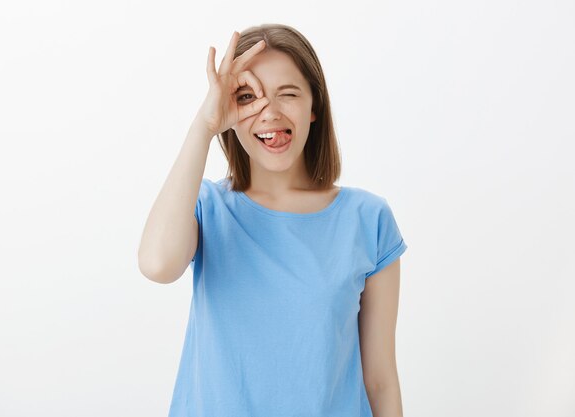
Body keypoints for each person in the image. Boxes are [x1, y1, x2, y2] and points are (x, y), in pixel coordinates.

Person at [138, 23, 408, 417]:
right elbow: (157, 264)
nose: (270, 112)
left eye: (288, 94)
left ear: (314, 107)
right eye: (248, 97)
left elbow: (381, 381)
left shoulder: (368, 220)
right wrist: (205, 124)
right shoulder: (208, 208)